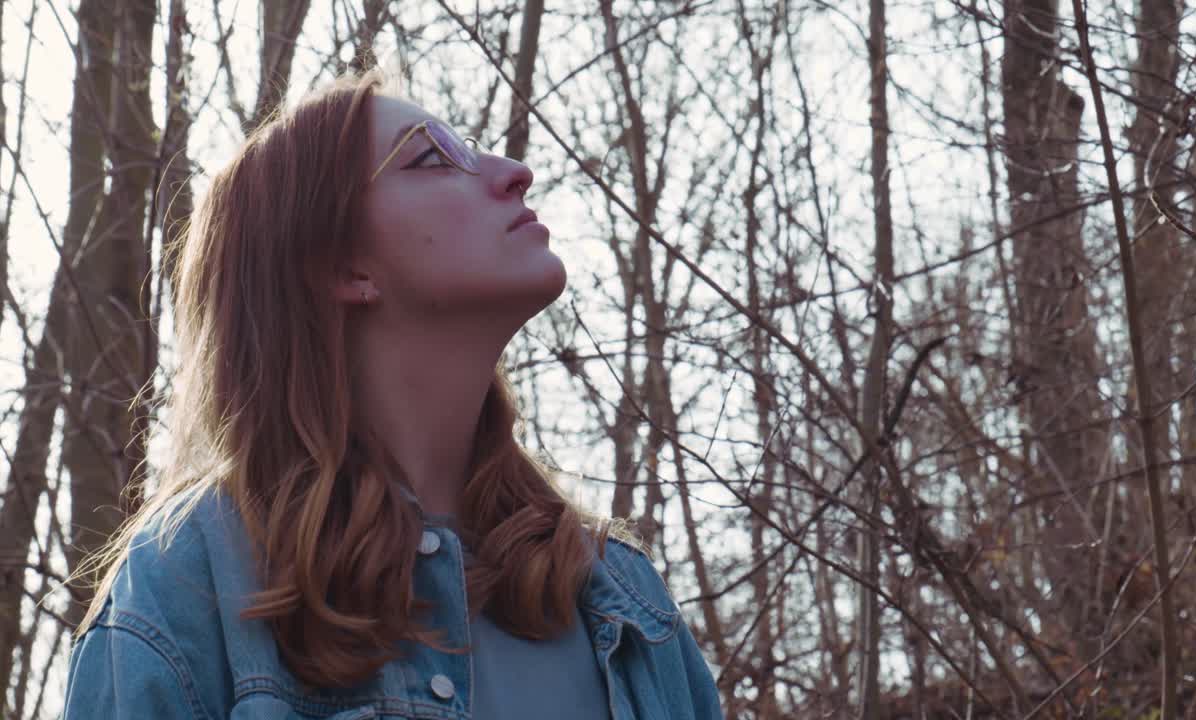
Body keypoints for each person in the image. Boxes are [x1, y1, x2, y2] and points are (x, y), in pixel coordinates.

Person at [61, 68, 724, 720]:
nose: (513, 171)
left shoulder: (622, 597)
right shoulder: (187, 581)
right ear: (340, 265)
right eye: (433, 159)